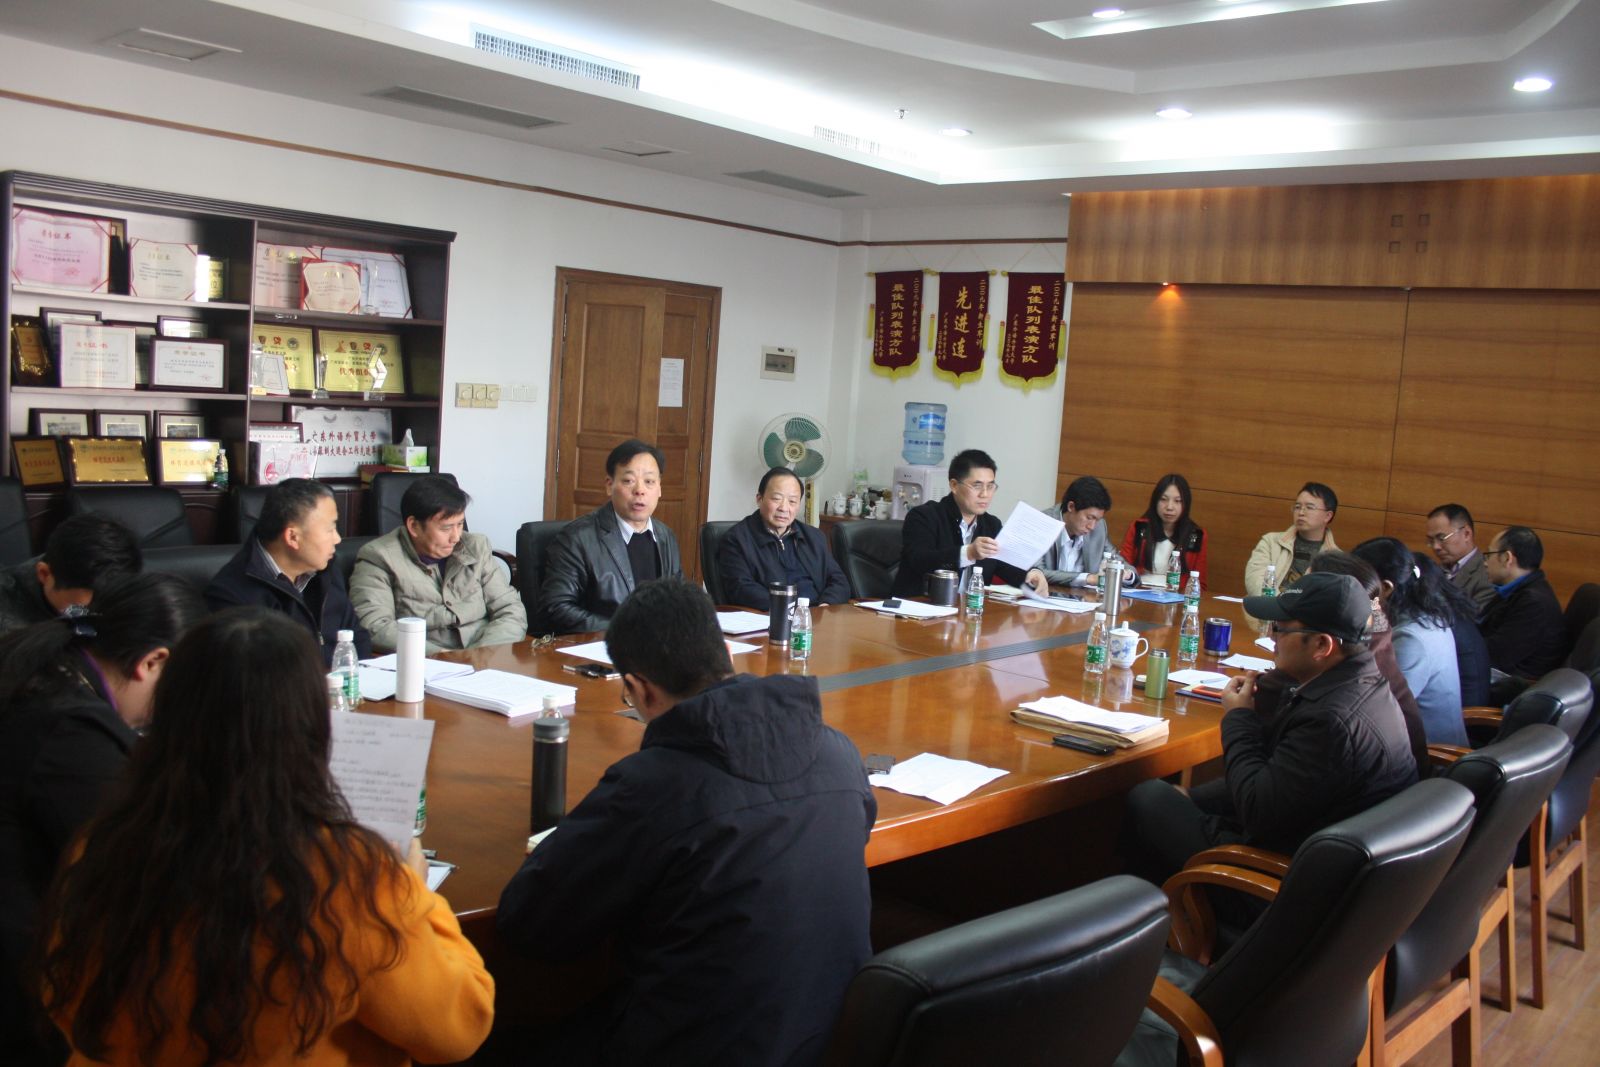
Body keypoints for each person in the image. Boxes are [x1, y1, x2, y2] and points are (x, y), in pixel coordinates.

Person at [37, 608, 495, 1066]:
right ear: (312, 725)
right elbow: (458, 1029)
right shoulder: (347, 875)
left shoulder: (102, 843)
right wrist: (413, 890)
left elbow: (66, 1002)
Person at [497, 580, 874, 1066]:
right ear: (726, 656)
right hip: (825, 1041)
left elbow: (530, 924)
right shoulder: (839, 753)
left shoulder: (653, 784)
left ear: (637, 688)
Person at [0, 573, 204, 1067]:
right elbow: (139, 868)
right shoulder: (72, 731)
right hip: (27, 992)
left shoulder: (47, 670)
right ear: (152, 662)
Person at [1122, 572, 1417, 892]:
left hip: (1279, 883)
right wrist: (1194, 797)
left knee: (1148, 798)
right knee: (1169, 797)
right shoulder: (1362, 684)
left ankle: (1155, 913)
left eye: (1280, 628)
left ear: (1322, 645)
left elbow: (1257, 810)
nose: (1271, 637)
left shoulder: (1332, 722)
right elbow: (1281, 780)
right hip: (1316, 857)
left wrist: (1238, 717)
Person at [350, 475, 526, 652]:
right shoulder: (379, 557)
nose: (456, 537)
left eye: (460, 524)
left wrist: (479, 654)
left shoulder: (476, 547)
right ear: (414, 526)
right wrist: (445, 658)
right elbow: (375, 627)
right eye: (446, 528)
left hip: (485, 653)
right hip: (425, 659)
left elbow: (510, 609)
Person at [204, 477, 371, 665]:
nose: (338, 539)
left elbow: (358, 639)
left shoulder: (325, 569)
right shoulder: (232, 596)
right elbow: (258, 674)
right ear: (292, 537)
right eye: (330, 529)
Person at [536, 439, 683, 635]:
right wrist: (625, 631)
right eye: (628, 481)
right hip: (601, 645)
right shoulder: (577, 538)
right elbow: (556, 608)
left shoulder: (666, 536)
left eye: (649, 482)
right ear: (609, 485)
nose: (640, 490)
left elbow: (678, 599)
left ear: (659, 489)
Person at [1352, 538, 1487, 744]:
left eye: (1359, 584)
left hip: (1429, 753)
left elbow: (1379, 709)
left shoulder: (1411, 638)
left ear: (1386, 588)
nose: (1354, 593)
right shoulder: (1426, 615)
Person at [893, 449, 1047, 598]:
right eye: (977, 486)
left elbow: (1005, 566)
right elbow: (920, 560)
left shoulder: (991, 525)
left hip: (970, 610)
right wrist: (968, 553)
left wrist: (1032, 574)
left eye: (990, 486)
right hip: (920, 607)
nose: (985, 494)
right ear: (954, 485)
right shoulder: (924, 516)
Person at [718, 466, 851, 610]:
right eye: (776, 499)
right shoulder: (737, 539)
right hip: (773, 617)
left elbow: (839, 581)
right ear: (759, 499)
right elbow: (741, 589)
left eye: (792, 501)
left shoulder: (814, 537)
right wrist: (789, 610)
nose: (784, 508)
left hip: (816, 615)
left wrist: (825, 606)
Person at [0, 514, 141, 634]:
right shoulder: (8, 624)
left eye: (108, 607)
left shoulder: (135, 593)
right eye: (80, 610)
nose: (95, 620)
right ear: (44, 574)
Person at [1480, 525, 1569, 680]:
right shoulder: (1517, 589)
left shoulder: (1534, 603)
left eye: (1488, 555)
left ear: (1507, 558)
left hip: (1511, 685)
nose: (1485, 563)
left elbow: (1494, 655)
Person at [1036, 475, 1133, 589]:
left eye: (1097, 520)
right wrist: (1089, 578)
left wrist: (1127, 575)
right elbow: (1037, 572)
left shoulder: (1099, 528)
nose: (1092, 526)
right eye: (1089, 518)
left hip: (1081, 597)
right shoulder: (1042, 523)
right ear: (1071, 507)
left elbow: (1118, 561)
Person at [1244, 481, 1340, 595]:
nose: (1301, 512)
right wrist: (1278, 603)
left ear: (1328, 516)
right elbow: (1255, 580)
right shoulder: (1271, 542)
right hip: (1269, 603)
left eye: (1309, 507)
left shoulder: (1336, 559)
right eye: (1297, 507)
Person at [1118, 473, 1209, 589]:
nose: (1169, 507)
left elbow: (1199, 583)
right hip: (1139, 591)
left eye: (1177, 501)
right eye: (1163, 499)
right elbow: (1124, 566)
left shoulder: (1197, 535)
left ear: (1186, 504)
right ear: (1155, 501)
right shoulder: (1139, 527)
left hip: (1176, 594)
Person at [1425, 503, 1496, 617]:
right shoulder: (1433, 571)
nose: (1435, 546)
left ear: (1466, 534)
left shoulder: (1487, 574)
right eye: (1431, 540)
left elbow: (1475, 619)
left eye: (1441, 538)